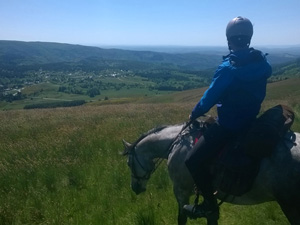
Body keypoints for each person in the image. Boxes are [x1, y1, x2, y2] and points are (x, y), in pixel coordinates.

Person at [183, 16, 272, 220]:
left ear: (229, 39)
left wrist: (195, 112)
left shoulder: (228, 69)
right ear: (248, 38)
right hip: (251, 120)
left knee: (192, 160)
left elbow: (210, 97)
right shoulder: (262, 62)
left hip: (229, 125)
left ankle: (209, 206)